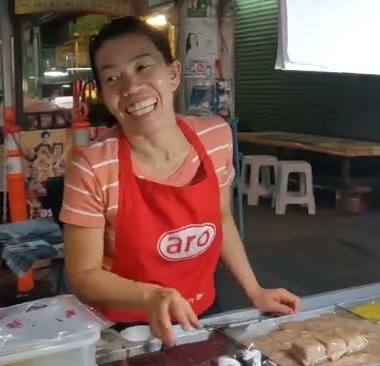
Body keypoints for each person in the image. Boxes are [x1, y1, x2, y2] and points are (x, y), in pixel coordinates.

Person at [60, 17, 299, 344]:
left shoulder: (215, 136)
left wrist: (254, 290)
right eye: (113, 77)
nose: (131, 88)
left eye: (143, 67)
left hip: (204, 314)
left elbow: (222, 217)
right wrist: (151, 297)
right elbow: (83, 276)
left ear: (173, 74)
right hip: (126, 331)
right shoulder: (92, 169)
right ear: (103, 95)